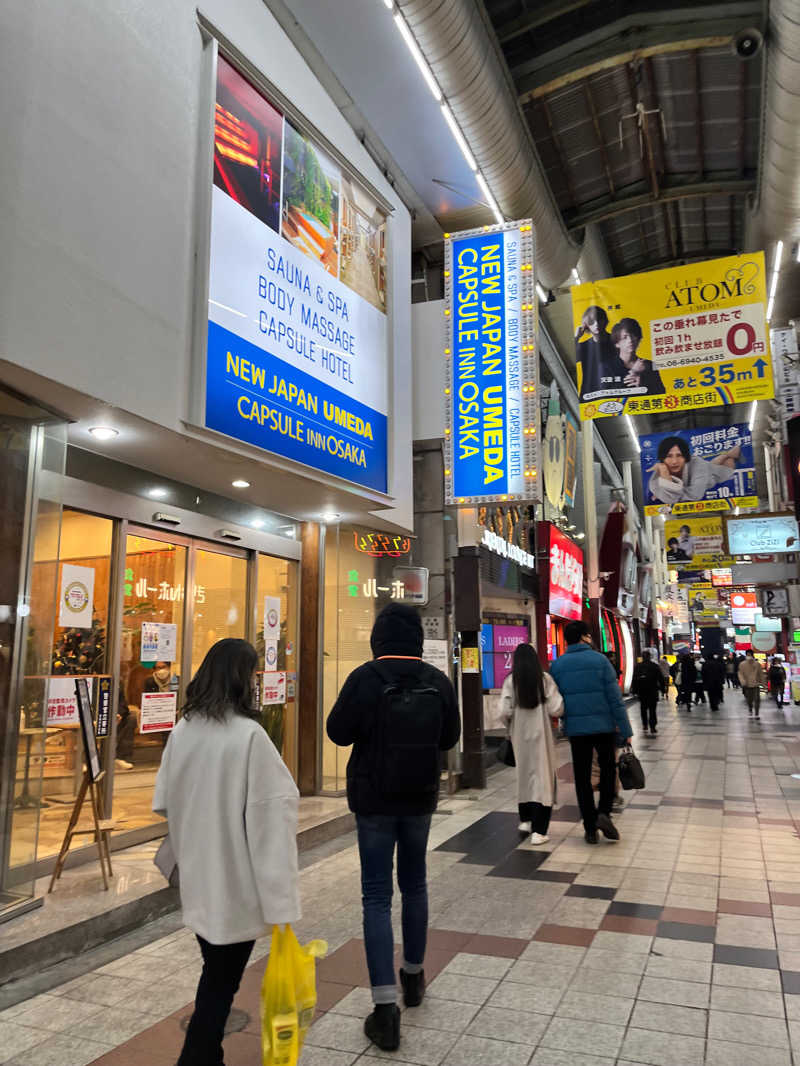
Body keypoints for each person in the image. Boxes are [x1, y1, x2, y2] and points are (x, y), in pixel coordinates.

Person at [153, 639, 300, 1066]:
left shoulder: (184, 730)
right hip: (236, 880)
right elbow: (273, 820)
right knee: (221, 981)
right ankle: (197, 1055)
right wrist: (281, 902)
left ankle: (207, 1054)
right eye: (253, 673)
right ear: (240, 678)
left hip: (198, 873)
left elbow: (163, 799)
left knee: (215, 970)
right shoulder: (250, 736)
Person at [326, 604, 460, 1053]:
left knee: (377, 895)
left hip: (374, 801)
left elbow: (338, 733)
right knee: (416, 885)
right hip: (420, 798)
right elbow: (449, 739)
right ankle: (414, 978)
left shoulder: (365, 678)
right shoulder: (437, 680)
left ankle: (385, 1011)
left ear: (378, 637)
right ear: (417, 638)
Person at [550, 620, 633, 845]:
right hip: (604, 727)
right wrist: (625, 729)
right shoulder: (601, 661)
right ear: (585, 637)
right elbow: (615, 699)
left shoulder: (557, 666)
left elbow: (555, 700)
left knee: (582, 777)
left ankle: (589, 828)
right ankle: (604, 812)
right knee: (607, 770)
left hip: (577, 731)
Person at [499, 643, 564, 845]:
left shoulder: (511, 681)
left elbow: (504, 712)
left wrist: (509, 727)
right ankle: (539, 831)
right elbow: (557, 708)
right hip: (541, 736)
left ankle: (525, 820)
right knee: (543, 780)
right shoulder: (544, 680)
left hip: (519, 735)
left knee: (524, 777)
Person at [647, 435, 742, 508]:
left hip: (712, 475)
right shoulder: (657, 476)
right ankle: (726, 454)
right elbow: (668, 495)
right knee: (710, 465)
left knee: (728, 469)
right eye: (669, 456)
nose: (674, 461)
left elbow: (695, 495)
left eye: (679, 455)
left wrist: (665, 491)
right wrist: (664, 477)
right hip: (705, 469)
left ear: (685, 457)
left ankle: (729, 455)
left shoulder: (697, 464)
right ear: (662, 458)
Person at [575, 305, 625, 399]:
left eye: (599, 319)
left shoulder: (618, 342)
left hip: (617, 391)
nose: (596, 324)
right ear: (586, 325)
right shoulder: (584, 346)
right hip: (591, 395)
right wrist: (576, 337)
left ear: (605, 321)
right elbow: (571, 360)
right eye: (591, 322)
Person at [611, 317, 665, 395]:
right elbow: (607, 394)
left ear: (639, 339)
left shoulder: (649, 365)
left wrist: (641, 385)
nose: (630, 340)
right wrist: (634, 371)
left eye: (633, 335)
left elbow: (661, 394)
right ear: (617, 343)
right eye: (625, 337)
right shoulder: (607, 366)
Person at [631, 651, 662, 735]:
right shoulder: (655, 666)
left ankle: (645, 724)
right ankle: (652, 726)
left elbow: (634, 679)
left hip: (642, 691)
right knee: (652, 709)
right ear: (650, 656)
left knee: (643, 708)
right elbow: (660, 678)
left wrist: (634, 690)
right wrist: (663, 689)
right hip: (652, 690)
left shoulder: (638, 666)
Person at [738, 649, 766, 718]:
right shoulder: (742, 664)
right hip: (747, 685)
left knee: (757, 699)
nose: (749, 656)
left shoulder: (757, 664)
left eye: (750, 655)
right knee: (749, 699)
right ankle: (750, 709)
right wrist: (743, 681)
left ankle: (757, 713)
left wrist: (763, 684)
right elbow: (740, 674)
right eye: (748, 655)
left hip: (756, 684)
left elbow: (761, 674)